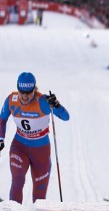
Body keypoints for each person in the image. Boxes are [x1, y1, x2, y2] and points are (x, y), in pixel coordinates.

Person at [0, 72, 70, 203]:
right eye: (22, 92)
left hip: (41, 150)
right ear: (18, 89)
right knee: (17, 180)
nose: (25, 96)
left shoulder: (43, 102)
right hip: (19, 146)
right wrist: (1, 138)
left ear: (34, 89)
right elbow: (2, 119)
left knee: (39, 191)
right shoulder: (12, 99)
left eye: (29, 92)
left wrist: (56, 105)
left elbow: (66, 117)